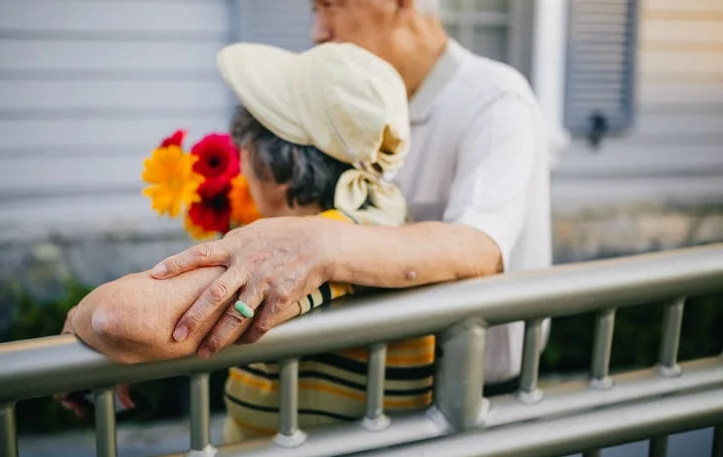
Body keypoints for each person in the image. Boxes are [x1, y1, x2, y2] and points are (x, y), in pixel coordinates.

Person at [149, 0, 553, 391]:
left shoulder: (495, 101)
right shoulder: (353, 100)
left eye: (331, 5)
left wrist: (319, 242)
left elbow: (479, 246)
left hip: (481, 394)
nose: (317, 32)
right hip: (383, 389)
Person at [62, 41, 433, 442]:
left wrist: (78, 318)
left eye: (248, 141)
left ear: (279, 163)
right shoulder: (380, 219)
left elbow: (117, 319)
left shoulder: (310, 247)